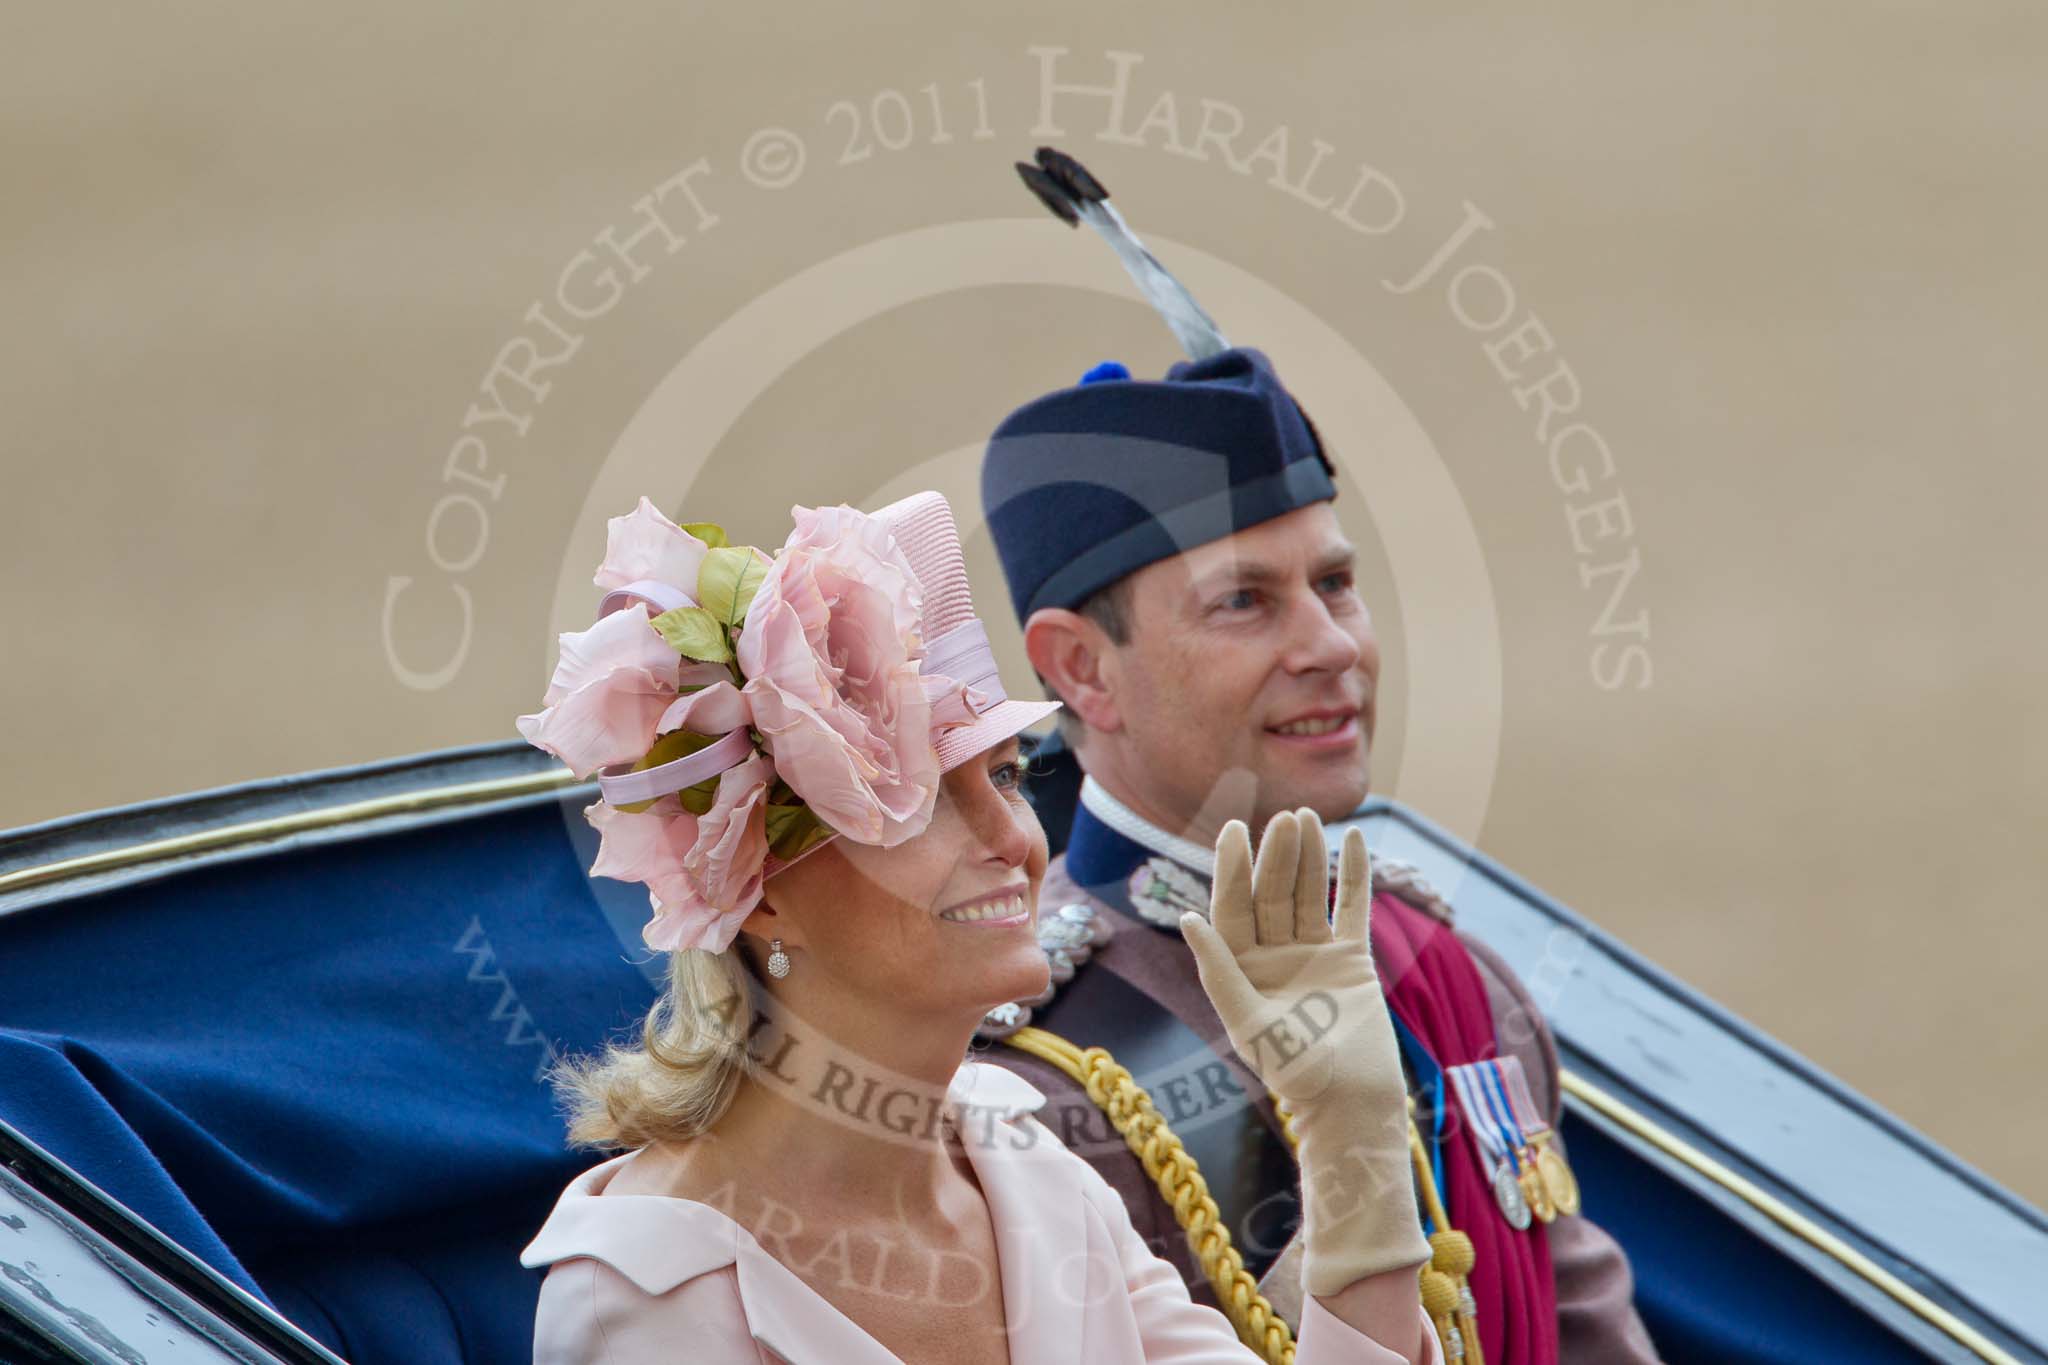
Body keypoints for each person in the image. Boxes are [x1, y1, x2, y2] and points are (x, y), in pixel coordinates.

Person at [513, 489, 1448, 1362]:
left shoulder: (1033, 1176)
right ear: (759, 894)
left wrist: (1353, 1133)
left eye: (1005, 775)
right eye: (924, 800)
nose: (1015, 841)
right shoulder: (648, 1292)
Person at [977, 347, 1663, 1364]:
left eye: (1335, 583)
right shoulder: (1035, 1075)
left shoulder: (1448, 973)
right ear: (1081, 669)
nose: (1331, 644)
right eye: (1244, 601)